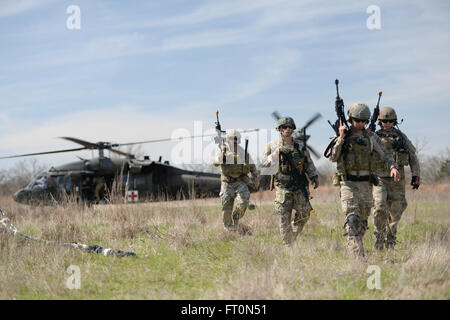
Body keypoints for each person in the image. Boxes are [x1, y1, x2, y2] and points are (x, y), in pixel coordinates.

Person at [329, 102, 400, 258]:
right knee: (352, 218)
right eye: (357, 120)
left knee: (362, 223)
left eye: (363, 121)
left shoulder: (371, 137)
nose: (360, 124)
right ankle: (357, 257)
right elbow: (333, 157)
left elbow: (385, 154)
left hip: (366, 184)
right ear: (350, 119)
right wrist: (340, 138)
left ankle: (353, 247)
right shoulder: (343, 136)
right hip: (348, 183)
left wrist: (393, 167)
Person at [260, 117, 319, 246]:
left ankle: (293, 235)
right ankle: (288, 245)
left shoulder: (300, 146)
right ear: (280, 129)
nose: (287, 129)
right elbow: (263, 163)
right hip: (282, 186)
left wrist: (314, 176)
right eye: (284, 127)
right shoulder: (272, 145)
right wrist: (273, 156)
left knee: (305, 214)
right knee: (283, 217)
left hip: (299, 186)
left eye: (290, 127)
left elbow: (308, 163)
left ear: (293, 128)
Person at [372, 106, 421, 250]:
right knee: (380, 207)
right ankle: (379, 238)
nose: (387, 124)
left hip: (397, 180)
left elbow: (412, 156)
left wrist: (416, 174)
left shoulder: (401, 137)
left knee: (396, 211)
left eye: (390, 122)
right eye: (384, 122)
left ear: (395, 122)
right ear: (379, 122)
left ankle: (391, 239)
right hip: (379, 178)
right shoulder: (373, 137)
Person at [213, 129, 259, 234]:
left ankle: (236, 216)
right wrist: (219, 158)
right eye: (232, 139)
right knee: (226, 206)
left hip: (240, 181)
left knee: (244, 201)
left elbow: (252, 166)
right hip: (227, 182)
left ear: (239, 140)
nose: (234, 141)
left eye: (236, 139)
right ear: (227, 140)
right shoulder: (223, 151)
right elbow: (215, 161)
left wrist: (255, 175)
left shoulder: (243, 152)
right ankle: (229, 229)